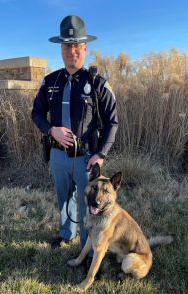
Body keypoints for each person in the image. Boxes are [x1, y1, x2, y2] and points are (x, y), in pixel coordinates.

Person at [32, 15, 118, 266]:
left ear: (84, 48)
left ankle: (89, 251)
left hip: (86, 158)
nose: (71, 51)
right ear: (61, 49)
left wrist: (100, 154)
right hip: (58, 155)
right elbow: (36, 113)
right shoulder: (50, 82)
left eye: (76, 45)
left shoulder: (98, 84)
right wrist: (51, 130)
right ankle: (65, 234)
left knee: (89, 204)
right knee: (63, 197)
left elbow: (112, 122)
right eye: (66, 46)